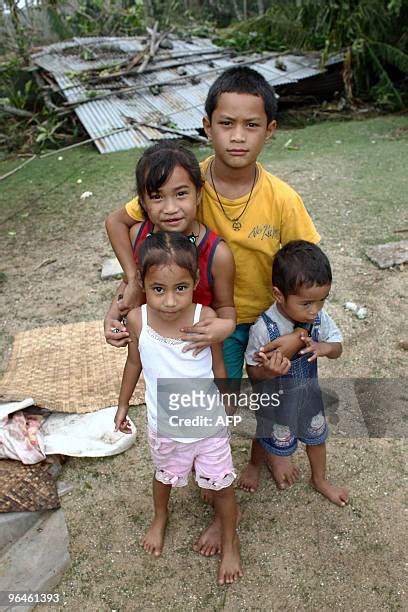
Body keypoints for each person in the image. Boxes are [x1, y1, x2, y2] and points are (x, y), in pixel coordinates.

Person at [105, 65, 320, 492]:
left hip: (262, 319)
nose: (237, 136)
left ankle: (266, 457)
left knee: (267, 391)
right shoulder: (184, 182)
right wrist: (130, 284)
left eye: (251, 125)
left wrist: (300, 330)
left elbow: (309, 269)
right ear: (207, 127)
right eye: (226, 124)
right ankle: (209, 469)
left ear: (270, 130)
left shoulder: (282, 199)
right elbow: (125, 221)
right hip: (203, 319)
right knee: (213, 399)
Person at [114, 231, 242, 585]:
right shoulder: (138, 320)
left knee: (223, 487)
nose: (170, 301)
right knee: (163, 476)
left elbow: (218, 366)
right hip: (165, 426)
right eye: (158, 289)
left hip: (209, 425)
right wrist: (123, 404)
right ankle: (160, 516)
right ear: (142, 282)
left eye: (180, 288)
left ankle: (231, 542)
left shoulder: (206, 317)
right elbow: (133, 364)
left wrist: (228, 401)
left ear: (196, 282)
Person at [244, 241, 349, 506]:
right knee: (266, 433)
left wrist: (324, 347)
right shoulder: (264, 328)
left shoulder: (319, 319)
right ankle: (255, 465)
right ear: (278, 295)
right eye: (306, 303)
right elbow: (253, 371)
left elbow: (337, 348)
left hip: (309, 396)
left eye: (322, 300)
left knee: (317, 438)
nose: (315, 310)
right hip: (276, 400)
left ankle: (320, 479)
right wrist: (267, 370)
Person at [105, 140, 236, 351]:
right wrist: (112, 317)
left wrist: (225, 328)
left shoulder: (217, 254)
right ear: (143, 203)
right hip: (155, 349)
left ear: (199, 194)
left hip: (197, 351)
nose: (170, 208)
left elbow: (226, 307)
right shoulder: (140, 236)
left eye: (181, 194)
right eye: (157, 197)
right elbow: (130, 283)